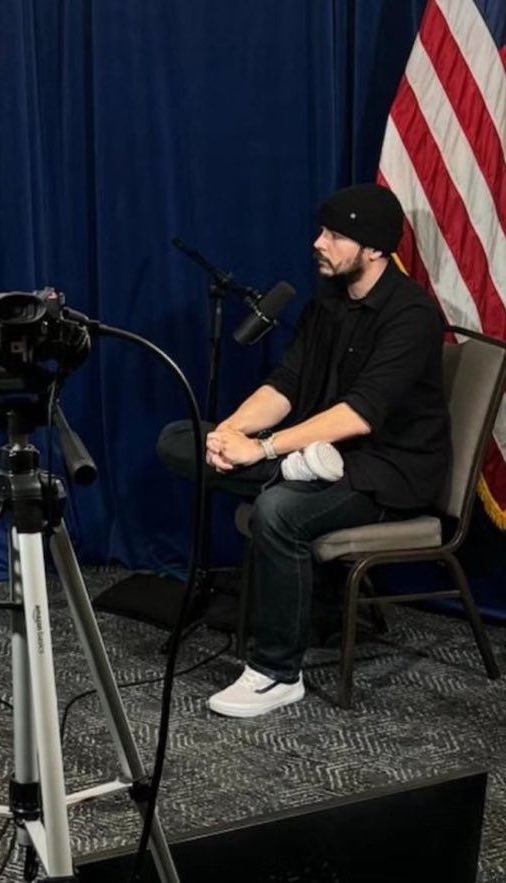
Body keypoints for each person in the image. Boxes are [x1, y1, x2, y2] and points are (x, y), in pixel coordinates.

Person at [156, 183, 450, 718]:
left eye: (335, 235)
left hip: (384, 470)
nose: (319, 242)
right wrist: (231, 436)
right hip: (319, 451)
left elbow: (359, 414)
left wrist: (261, 447)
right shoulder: (327, 305)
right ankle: (299, 467)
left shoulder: (412, 316)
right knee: (181, 441)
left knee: (279, 511)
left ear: (374, 249)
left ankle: (276, 673)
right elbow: (284, 385)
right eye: (322, 230)